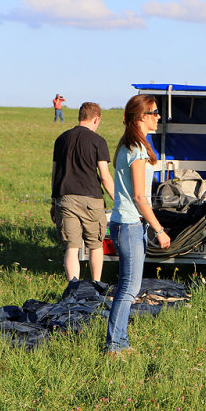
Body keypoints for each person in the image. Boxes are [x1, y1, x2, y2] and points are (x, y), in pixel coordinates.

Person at [105, 94, 170, 354]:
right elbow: (139, 196)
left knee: (127, 286)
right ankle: (114, 346)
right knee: (129, 289)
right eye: (154, 112)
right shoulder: (137, 149)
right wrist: (159, 229)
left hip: (125, 224)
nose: (158, 117)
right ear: (142, 116)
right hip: (131, 225)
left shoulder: (129, 145)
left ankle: (121, 342)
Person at [50, 102, 115, 283]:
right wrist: (117, 198)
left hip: (65, 198)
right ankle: (96, 285)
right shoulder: (98, 141)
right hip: (91, 199)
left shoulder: (61, 139)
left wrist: (54, 202)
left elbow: (55, 174)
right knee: (95, 246)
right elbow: (105, 176)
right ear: (96, 119)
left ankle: (73, 288)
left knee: (71, 247)